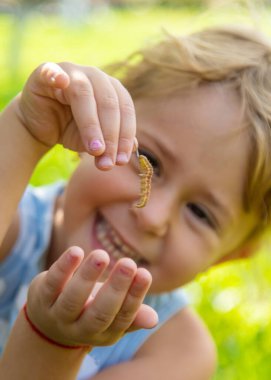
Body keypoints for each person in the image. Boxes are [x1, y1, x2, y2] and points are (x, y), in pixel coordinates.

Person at [0, 24, 270, 379]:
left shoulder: (178, 355)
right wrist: (26, 128)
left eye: (200, 213)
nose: (151, 216)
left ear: (229, 256)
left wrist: (53, 342)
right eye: (150, 161)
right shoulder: (14, 227)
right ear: (96, 122)